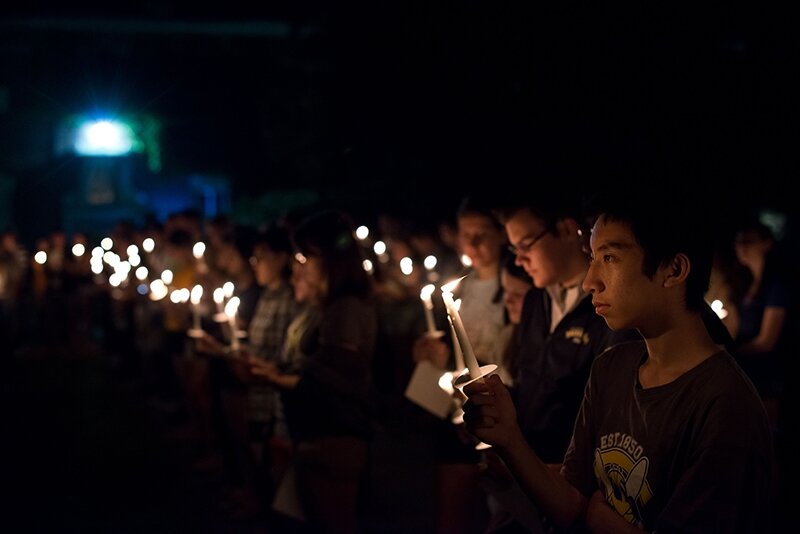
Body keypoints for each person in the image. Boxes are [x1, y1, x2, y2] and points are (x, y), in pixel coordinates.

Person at [462, 192, 776, 532]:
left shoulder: (725, 404)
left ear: (674, 269)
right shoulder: (611, 366)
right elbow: (569, 500)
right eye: (592, 257)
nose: (589, 281)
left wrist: (601, 520)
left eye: (609, 258)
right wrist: (509, 439)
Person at [246, 208, 378, 534]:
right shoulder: (325, 307)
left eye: (305, 256)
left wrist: (280, 377)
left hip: (334, 437)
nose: (298, 265)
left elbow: (343, 380)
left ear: (330, 259)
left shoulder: (345, 310)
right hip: (316, 433)